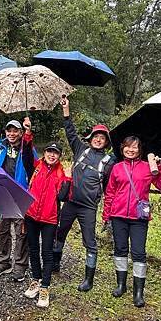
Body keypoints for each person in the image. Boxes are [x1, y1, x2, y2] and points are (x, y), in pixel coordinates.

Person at [54, 97, 116, 292]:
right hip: (71, 202)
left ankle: (88, 279)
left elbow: (109, 187)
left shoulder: (109, 161)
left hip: (89, 207)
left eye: (102, 137)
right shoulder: (81, 149)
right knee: (60, 232)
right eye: (96, 136)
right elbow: (70, 133)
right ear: (90, 138)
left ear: (106, 142)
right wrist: (66, 111)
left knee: (90, 241)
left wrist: (107, 210)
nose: (98, 139)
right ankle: (55, 264)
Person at [102, 136, 161, 307]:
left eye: (135, 147)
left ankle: (138, 292)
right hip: (118, 216)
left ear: (140, 150)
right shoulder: (117, 168)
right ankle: (121, 285)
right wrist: (106, 215)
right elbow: (110, 193)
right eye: (127, 147)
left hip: (139, 217)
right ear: (122, 148)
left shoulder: (148, 167)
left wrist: (160, 167)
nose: (131, 150)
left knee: (139, 252)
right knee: (120, 249)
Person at [0, 99, 33, 282]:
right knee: (2, 230)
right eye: (9, 130)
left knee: (21, 231)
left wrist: (27, 131)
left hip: (20, 194)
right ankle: (3, 262)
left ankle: (20, 265)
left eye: (15, 130)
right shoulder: (0, 146)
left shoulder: (27, 149)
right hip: (3, 194)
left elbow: (34, 165)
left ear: (20, 132)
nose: (11, 133)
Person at [22, 141, 71, 308]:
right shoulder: (36, 167)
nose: (52, 155)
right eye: (49, 151)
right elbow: (26, 154)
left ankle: (45, 287)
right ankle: (35, 280)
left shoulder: (61, 174)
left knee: (47, 253)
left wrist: (68, 179)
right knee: (33, 249)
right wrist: (28, 135)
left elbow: (63, 197)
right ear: (44, 153)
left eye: (55, 153)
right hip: (31, 215)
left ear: (59, 156)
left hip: (49, 218)